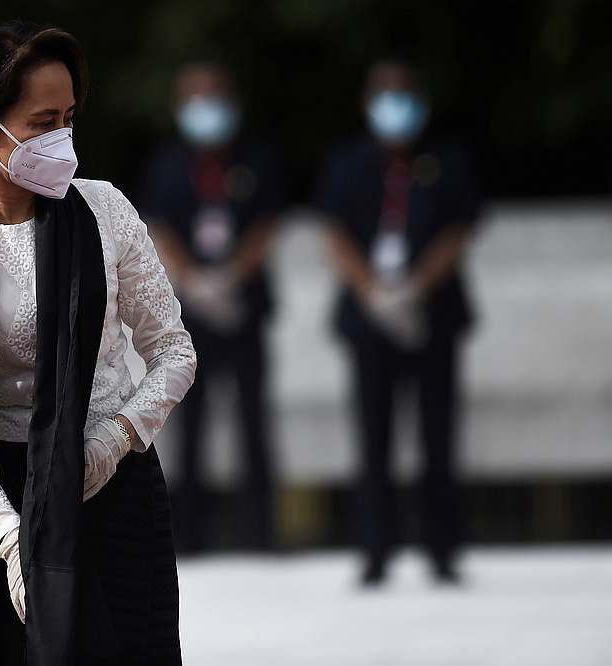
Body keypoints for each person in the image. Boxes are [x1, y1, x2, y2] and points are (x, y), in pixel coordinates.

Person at [0, 22, 196, 665]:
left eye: (68, 118)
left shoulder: (105, 211)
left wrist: (111, 443)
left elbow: (174, 351)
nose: (61, 139)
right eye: (40, 122)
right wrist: (9, 539)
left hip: (112, 486)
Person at [316, 60, 481, 585]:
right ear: (368, 104)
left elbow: (459, 229)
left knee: (438, 434)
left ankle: (442, 549)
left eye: (404, 94)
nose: (395, 106)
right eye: (385, 95)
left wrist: (416, 288)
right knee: (374, 436)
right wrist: (372, 290)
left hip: (433, 313)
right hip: (369, 317)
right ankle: (375, 550)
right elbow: (333, 232)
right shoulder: (346, 163)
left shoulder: (447, 159)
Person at [141, 62, 284, 552]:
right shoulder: (167, 164)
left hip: (243, 305)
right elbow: (157, 226)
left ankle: (261, 533)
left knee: (253, 419)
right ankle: (190, 535)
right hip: (191, 310)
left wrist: (231, 276)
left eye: (214, 96)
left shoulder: (256, 160)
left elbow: (267, 224)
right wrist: (195, 281)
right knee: (191, 423)